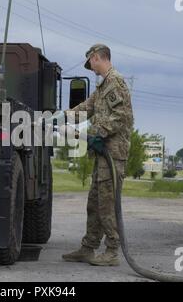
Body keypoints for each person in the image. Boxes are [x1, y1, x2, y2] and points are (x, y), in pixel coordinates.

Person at [62, 44, 134, 266]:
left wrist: (92, 134)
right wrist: (61, 117)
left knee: (106, 204)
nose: (90, 68)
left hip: (113, 154)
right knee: (94, 203)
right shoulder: (103, 86)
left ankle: (112, 251)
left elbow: (120, 117)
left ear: (96, 58)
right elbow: (87, 107)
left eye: (90, 63)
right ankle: (88, 248)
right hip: (103, 155)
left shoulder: (115, 82)